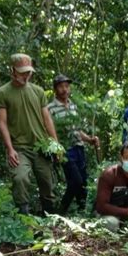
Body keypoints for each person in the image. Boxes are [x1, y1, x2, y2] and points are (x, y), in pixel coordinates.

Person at [0, 53, 58, 215]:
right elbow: (2, 123)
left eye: (28, 71)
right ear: (12, 70)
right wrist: (10, 149)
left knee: (47, 181)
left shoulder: (38, 91)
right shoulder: (2, 93)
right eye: (22, 72)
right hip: (19, 147)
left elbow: (47, 119)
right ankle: (23, 216)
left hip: (41, 146)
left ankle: (49, 216)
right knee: (20, 178)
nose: (26, 75)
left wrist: (55, 144)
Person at [48, 74, 100, 214]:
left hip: (79, 148)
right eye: (60, 86)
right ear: (55, 89)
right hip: (65, 149)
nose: (64, 89)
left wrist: (90, 139)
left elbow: (78, 130)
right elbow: (49, 131)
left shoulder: (73, 106)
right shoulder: (50, 108)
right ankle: (61, 211)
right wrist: (57, 150)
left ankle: (81, 213)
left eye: (66, 86)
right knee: (75, 180)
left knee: (82, 182)